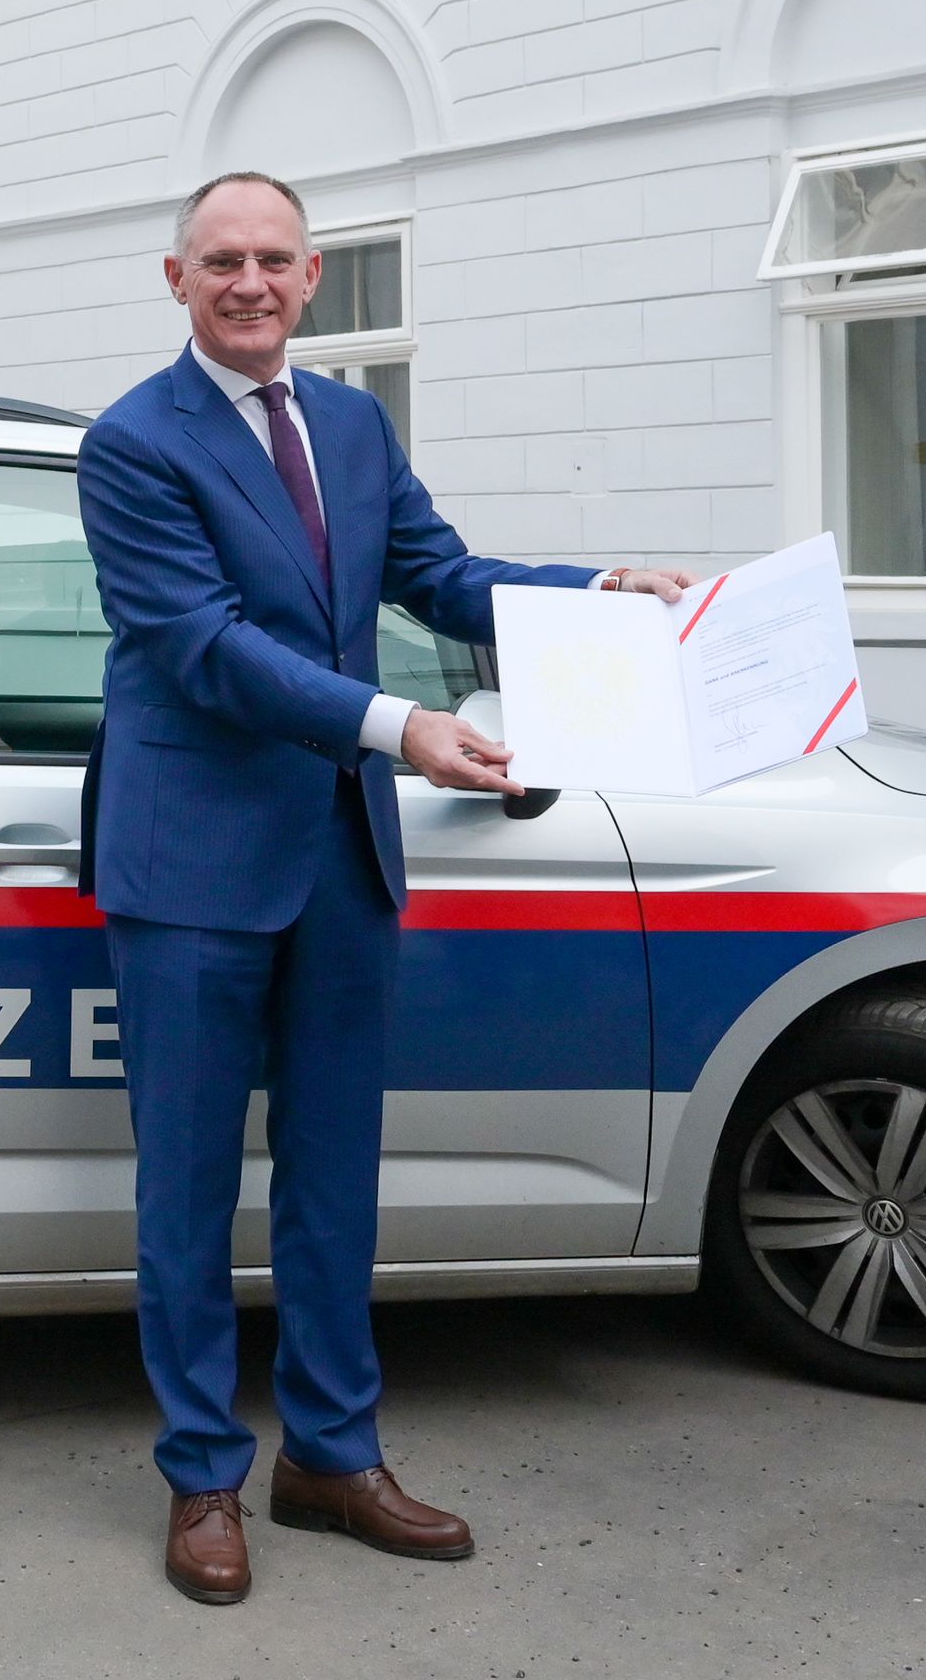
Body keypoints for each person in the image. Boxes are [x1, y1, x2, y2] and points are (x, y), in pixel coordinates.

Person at [81, 172, 697, 1605]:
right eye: (220, 261)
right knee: (183, 1190)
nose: (249, 283)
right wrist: (398, 727)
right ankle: (199, 1478)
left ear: (314, 280)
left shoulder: (350, 422)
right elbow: (201, 644)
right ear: (177, 281)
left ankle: (332, 1457)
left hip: (339, 856)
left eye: (275, 261)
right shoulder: (131, 443)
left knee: (333, 1179)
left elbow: (437, 573)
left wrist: (592, 595)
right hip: (192, 862)